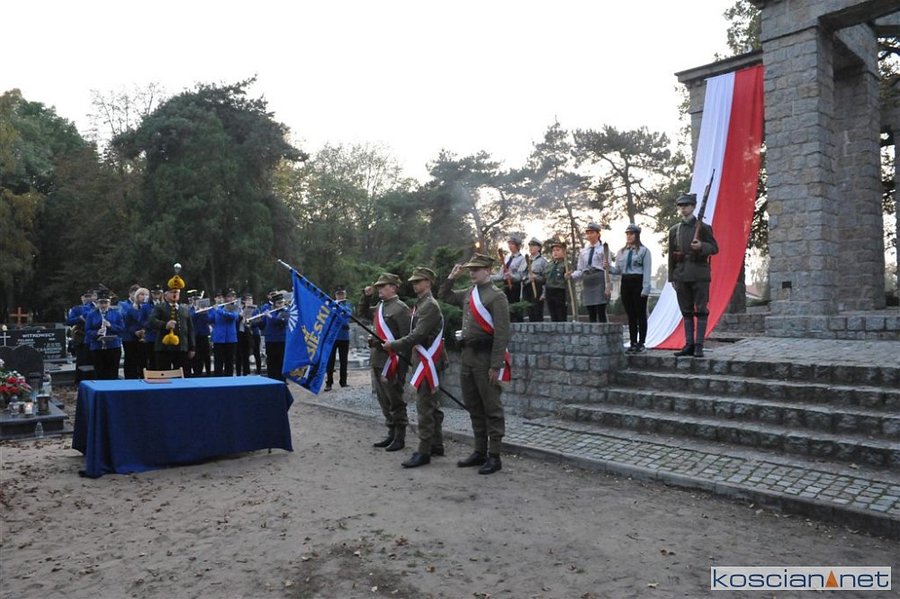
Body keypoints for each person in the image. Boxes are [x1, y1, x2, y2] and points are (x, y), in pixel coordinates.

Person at [440, 253, 510, 475]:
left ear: (488, 270)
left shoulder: (496, 296)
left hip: (485, 358)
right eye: (470, 269)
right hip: (468, 357)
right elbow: (445, 296)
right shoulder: (470, 293)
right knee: (474, 406)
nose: (472, 273)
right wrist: (452, 277)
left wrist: (496, 365)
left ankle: (494, 455)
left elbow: (502, 333)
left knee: (492, 408)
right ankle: (480, 451)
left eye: (476, 269)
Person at [382, 268, 447, 468]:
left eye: (418, 281)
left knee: (424, 406)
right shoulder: (422, 304)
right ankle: (436, 444)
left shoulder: (429, 306)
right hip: (425, 358)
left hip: (429, 360)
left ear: (428, 282)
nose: (414, 284)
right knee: (432, 404)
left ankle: (424, 450)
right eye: (413, 281)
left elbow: (418, 335)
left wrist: (394, 345)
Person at [362, 273, 411, 452]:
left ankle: (400, 436)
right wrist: (366, 297)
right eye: (379, 286)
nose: (380, 289)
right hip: (378, 358)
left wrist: (402, 367)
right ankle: (391, 431)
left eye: (383, 286)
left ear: (393, 287)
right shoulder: (380, 307)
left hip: (392, 361)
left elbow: (406, 338)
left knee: (395, 399)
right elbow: (364, 313)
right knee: (383, 399)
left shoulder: (400, 308)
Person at [668, 193, 719, 358]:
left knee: (701, 310)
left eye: (686, 205)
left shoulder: (703, 227)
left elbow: (714, 248)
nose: (683, 208)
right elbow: (671, 255)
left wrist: (702, 246)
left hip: (699, 274)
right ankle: (689, 344)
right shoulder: (674, 230)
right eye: (681, 206)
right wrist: (672, 278)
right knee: (686, 311)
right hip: (681, 274)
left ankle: (698, 346)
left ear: (693, 207)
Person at [612, 224, 652, 352]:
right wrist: (608, 267)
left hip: (638, 281)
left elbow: (647, 270)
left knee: (640, 314)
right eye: (627, 234)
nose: (629, 236)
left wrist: (646, 288)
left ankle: (642, 342)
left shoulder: (644, 251)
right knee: (630, 314)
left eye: (631, 234)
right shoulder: (621, 252)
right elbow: (617, 270)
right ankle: (633, 342)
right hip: (626, 282)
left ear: (637, 235)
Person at [148, 272, 195, 372]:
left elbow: (190, 329)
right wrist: (165, 325)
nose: (175, 294)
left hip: (182, 348)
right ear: (166, 295)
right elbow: (151, 321)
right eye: (172, 292)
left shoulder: (184, 309)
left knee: (184, 374)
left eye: (177, 292)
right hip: (164, 349)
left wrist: (192, 347)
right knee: (164, 374)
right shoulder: (159, 308)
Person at [567, 223, 610, 323]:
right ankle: (592, 331)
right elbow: (580, 269)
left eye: (592, 232)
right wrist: (571, 275)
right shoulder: (584, 251)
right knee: (591, 311)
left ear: (598, 234)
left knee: (601, 310)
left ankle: (603, 331)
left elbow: (608, 269)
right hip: (588, 281)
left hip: (599, 279)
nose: (590, 235)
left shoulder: (604, 249)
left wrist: (608, 286)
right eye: (588, 233)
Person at [84, 289, 125, 380]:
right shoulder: (91, 315)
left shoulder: (116, 314)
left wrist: (111, 326)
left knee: (113, 371)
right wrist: (97, 332)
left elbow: (122, 328)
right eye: (101, 303)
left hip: (113, 346)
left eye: (105, 303)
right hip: (97, 347)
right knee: (99, 372)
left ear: (109, 303)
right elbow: (87, 330)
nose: (103, 305)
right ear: (97, 303)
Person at [492, 236, 527, 323]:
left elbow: (521, 276)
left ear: (518, 246)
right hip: (505, 286)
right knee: (506, 307)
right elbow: (500, 275)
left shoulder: (522, 259)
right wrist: (488, 277)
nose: (510, 246)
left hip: (515, 287)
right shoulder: (506, 258)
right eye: (509, 244)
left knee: (515, 309)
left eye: (512, 244)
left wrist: (511, 276)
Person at [66, 290, 96, 385]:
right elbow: (69, 321)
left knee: (93, 361)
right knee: (81, 361)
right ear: (82, 298)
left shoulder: (95, 307)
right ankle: (79, 381)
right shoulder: (77, 308)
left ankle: (93, 380)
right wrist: (79, 318)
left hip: (93, 338)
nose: (88, 298)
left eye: (90, 296)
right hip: (81, 337)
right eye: (85, 296)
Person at [325, 287, 351, 392]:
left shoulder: (347, 305)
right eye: (338, 294)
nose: (340, 296)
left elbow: (347, 315)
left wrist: (339, 307)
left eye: (342, 294)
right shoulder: (331, 305)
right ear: (335, 295)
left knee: (343, 360)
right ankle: (329, 382)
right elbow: (329, 316)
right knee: (330, 361)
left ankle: (343, 382)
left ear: (345, 295)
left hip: (344, 337)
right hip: (333, 337)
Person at [210, 289, 239, 376]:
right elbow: (210, 319)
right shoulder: (218, 307)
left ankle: (229, 380)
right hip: (218, 339)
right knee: (218, 363)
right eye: (229, 296)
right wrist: (202, 312)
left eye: (233, 296)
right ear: (225, 298)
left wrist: (219, 310)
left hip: (230, 339)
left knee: (229, 363)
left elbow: (233, 316)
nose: (232, 298)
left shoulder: (234, 307)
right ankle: (217, 381)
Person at [261, 292, 289, 381]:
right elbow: (263, 325)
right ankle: (272, 381)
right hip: (270, 340)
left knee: (280, 362)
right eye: (278, 303)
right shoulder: (269, 311)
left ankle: (282, 382)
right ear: (274, 304)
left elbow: (281, 322)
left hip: (281, 340)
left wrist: (270, 317)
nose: (281, 305)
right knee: (271, 362)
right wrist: (255, 322)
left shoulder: (285, 311)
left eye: (282, 302)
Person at [123, 287, 150, 377]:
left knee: (144, 361)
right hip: (131, 339)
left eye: (146, 295)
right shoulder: (131, 309)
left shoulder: (150, 309)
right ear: (137, 296)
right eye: (142, 294)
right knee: (131, 362)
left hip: (145, 337)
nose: (144, 297)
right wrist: (135, 331)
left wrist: (144, 330)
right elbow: (127, 325)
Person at [522, 237, 548, 322]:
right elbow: (521, 274)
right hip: (527, 286)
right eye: (530, 246)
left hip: (537, 287)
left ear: (539, 248)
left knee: (537, 311)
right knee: (529, 311)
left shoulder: (543, 261)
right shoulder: (525, 260)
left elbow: (546, 278)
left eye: (533, 246)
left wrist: (536, 277)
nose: (531, 248)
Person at [543, 240, 569, 322]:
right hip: (549, 290)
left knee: (561, 314)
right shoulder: (549, 265)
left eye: (558, 250)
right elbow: (545, 278)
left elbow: (570, 279)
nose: (555, 252)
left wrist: (567, 276)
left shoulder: (566, 264)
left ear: (564, 252)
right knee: (552, 313)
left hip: (560, 290)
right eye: (553, 250)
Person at [188, 290, 212, 376]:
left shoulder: (205, 309)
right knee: (196, 356)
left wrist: (204, 312)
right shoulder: (190, 309)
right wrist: (197, 312)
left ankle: (208, 373)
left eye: (197, 299)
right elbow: (190, 318)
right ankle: (196, 373)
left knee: (206, 355)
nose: (196, 301)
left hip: (204, 334)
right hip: (194, 335)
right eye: (194, 299)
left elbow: (209, 320)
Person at [236, 293, 256, 376]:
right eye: (248, 300)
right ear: (244, 301)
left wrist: (250, 321)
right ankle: (238, 373)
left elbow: (256, 321)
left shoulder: (254, 309)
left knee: (246, 355)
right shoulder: (239, 309)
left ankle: (246, 373)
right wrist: (241, 317)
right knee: (238, 355)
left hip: (248, 333)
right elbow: (235, 320)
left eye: (251, 299)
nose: (250, 301)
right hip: (239, 333)